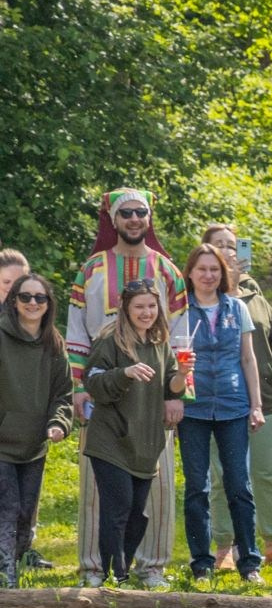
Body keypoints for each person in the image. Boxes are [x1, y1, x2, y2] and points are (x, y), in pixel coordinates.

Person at [69, 189, 185, 587]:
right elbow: (76, 330)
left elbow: (181, 341)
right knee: (99, 493)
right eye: (127, 213)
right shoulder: (92, 269)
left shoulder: (168, 271)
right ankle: (93, 568)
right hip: (102, 395)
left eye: (142, 213)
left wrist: (176, 395)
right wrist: (78, 387)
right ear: (113, 219)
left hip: (153, 404)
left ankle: (152, 566)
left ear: (149, 218)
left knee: (154, 493)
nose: (135, 219)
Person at [202, 225, 272, 571]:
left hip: (266, 402)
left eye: (233, 246)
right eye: (220, 247)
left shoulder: (257, 298)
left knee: (266, 475)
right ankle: (224, 549)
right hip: (221, 403)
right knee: (222, 478)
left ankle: (271, 543)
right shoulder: (202, 301)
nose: (229, 252)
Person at [81, 280, 184, 584]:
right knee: (119, 508)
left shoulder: (159, 342)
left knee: (138, 515)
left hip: (145, 442)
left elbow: (171, 389)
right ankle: (115, 576)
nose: (146, 312)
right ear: (125, 308)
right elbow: (94, 383)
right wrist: (124, 373)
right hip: (111, 439)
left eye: (151, 306)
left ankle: (119, 569)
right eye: (139, 306)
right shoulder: (110, 340)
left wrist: (184, 376)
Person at [172, 241, 264, 581]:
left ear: (222, 274)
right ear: (190, 273)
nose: (208, 275)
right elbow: (172, 361)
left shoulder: (236, 308)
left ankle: (250, 562)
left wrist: (256, 405)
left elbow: (248, 359)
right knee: (198, 485)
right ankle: (202, 563)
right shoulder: (179, 311)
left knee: (239, 484)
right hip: (193, 408)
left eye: (214, 270)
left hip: (233, 404)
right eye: (202, 269)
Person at [0, 272, 72, 586]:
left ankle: (12, 565)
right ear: (13, 301)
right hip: (1, 444)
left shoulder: (54, 343)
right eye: (25, 297)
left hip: (34, 446)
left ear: (48, 304)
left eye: (39, 298)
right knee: (7, 508)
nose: (32, 303)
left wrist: (58, 423)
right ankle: (7, 578)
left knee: (25, 514)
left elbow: (63, 394)